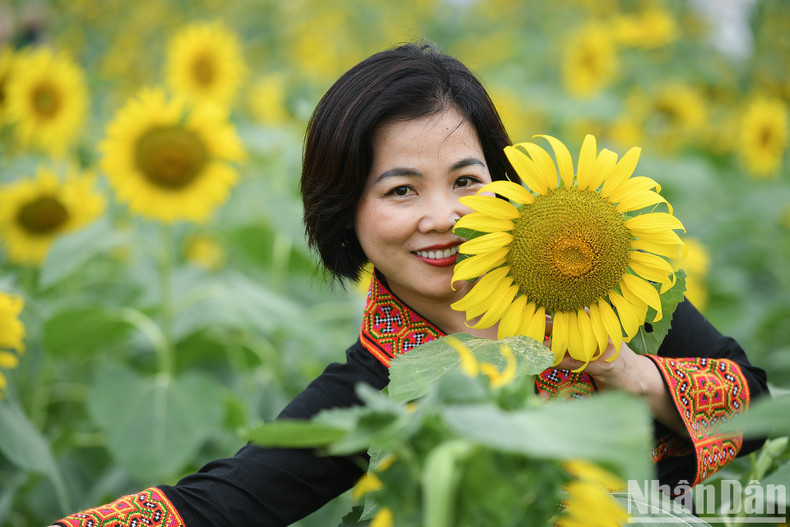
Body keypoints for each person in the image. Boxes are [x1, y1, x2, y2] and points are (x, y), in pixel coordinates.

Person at [51, 42, 768, 527]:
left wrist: (632, 371)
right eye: (399, 190)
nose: (442, 217)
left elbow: (759, 407)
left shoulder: (599, 272)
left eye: (466, 180)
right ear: (347, 215)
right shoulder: (378, 387)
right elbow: (218, 506)